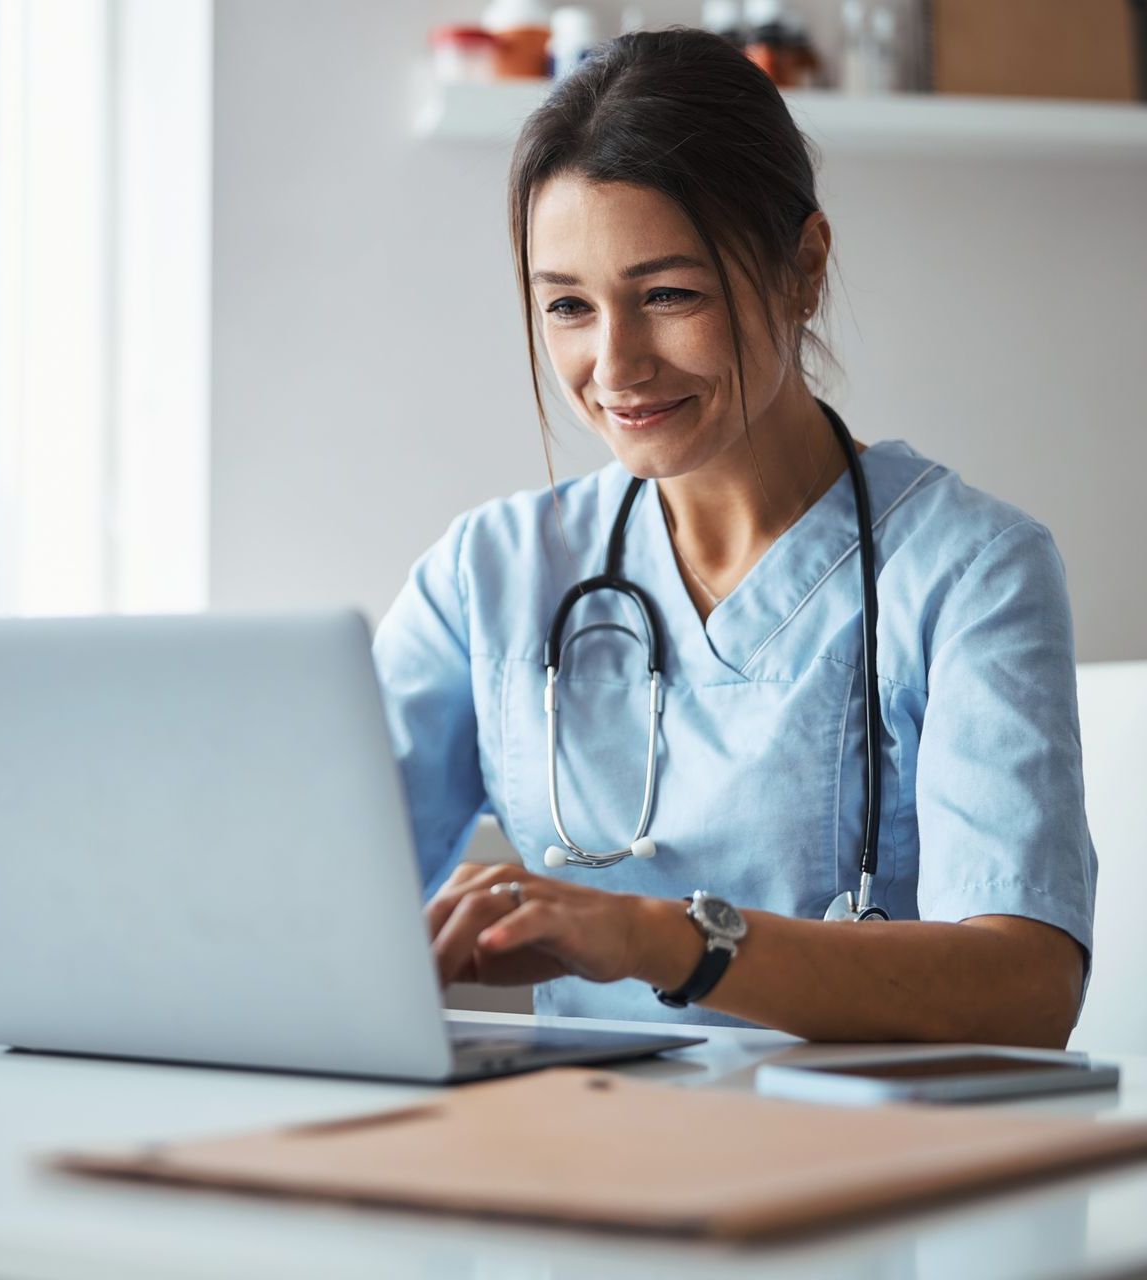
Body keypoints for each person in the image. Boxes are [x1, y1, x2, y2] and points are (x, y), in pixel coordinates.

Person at [371, 28, 1094, 1046]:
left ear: (801, 267)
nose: (614, 365)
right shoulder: (485, 575)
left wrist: (665, 938)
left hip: (861, 1169)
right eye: (569, 306)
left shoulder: (970, 573)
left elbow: (1025, 987)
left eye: (668, 294)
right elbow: (300, 893)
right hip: (578, 1162)